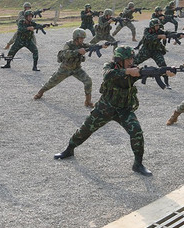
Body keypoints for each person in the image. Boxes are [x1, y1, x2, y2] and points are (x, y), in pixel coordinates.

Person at [53, 46, 166, 176]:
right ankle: (69, 149)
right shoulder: (110, 67)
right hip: (105, 108)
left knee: (137, 132)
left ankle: (138, 164)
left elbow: (145, 72)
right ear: (119, 60)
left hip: (124, 110)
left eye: (132, 58)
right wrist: (128, 72)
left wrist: (164, 72)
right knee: (85, 129)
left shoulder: (133, 68)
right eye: (128, 59)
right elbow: (107, 75)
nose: (131, 61)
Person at [34, 28, 94, 108]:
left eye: (83, 38)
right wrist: (78, 51)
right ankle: (41, 92)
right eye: (81, 38)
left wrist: (101, 46)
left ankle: (88, 101)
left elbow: (91, 46)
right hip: (65, 69)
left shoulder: (82, 44)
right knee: (52, 82)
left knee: (88, 81)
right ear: (76, 38)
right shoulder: (68, 44)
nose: (82, 40)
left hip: (77, 69)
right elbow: (65, 54)